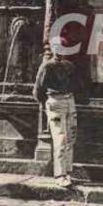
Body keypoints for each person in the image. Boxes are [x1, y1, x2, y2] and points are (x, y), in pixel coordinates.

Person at [33, 37, 78, 187]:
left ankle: (68, 171)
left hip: (69, 101)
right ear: (52, 49)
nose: (60, 50)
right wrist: (46, 103)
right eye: (57, 47)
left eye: (63, 47)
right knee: (60, 138)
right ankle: (60, 174)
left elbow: (77, 85)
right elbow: (38, 89)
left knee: (71, 137)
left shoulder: (69, 66)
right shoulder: (47, 67)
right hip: (55, 101)